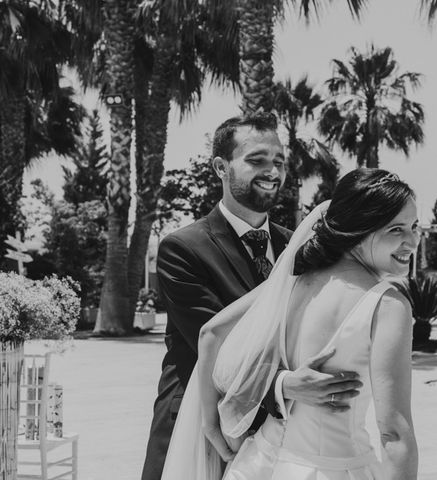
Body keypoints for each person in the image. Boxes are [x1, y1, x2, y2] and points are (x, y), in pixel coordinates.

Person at [141, 112, 362, 480]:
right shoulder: (182, 248)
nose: (272, 171)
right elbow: (222, 345)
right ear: (220, 167)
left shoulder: (298, 244)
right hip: (200, 427)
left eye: (278, 161)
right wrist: (285, 384)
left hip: (279, 430)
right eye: (256, 160)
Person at [161, 168, 420, 480]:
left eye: (414, 228)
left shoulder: (293, 281)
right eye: (396, 230)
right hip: (333, 468)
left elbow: (211, 334)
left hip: (257, 465)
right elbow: (393, 433)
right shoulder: (388, 305)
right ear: (360, 228)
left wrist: (211, 424)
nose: (412, 242)